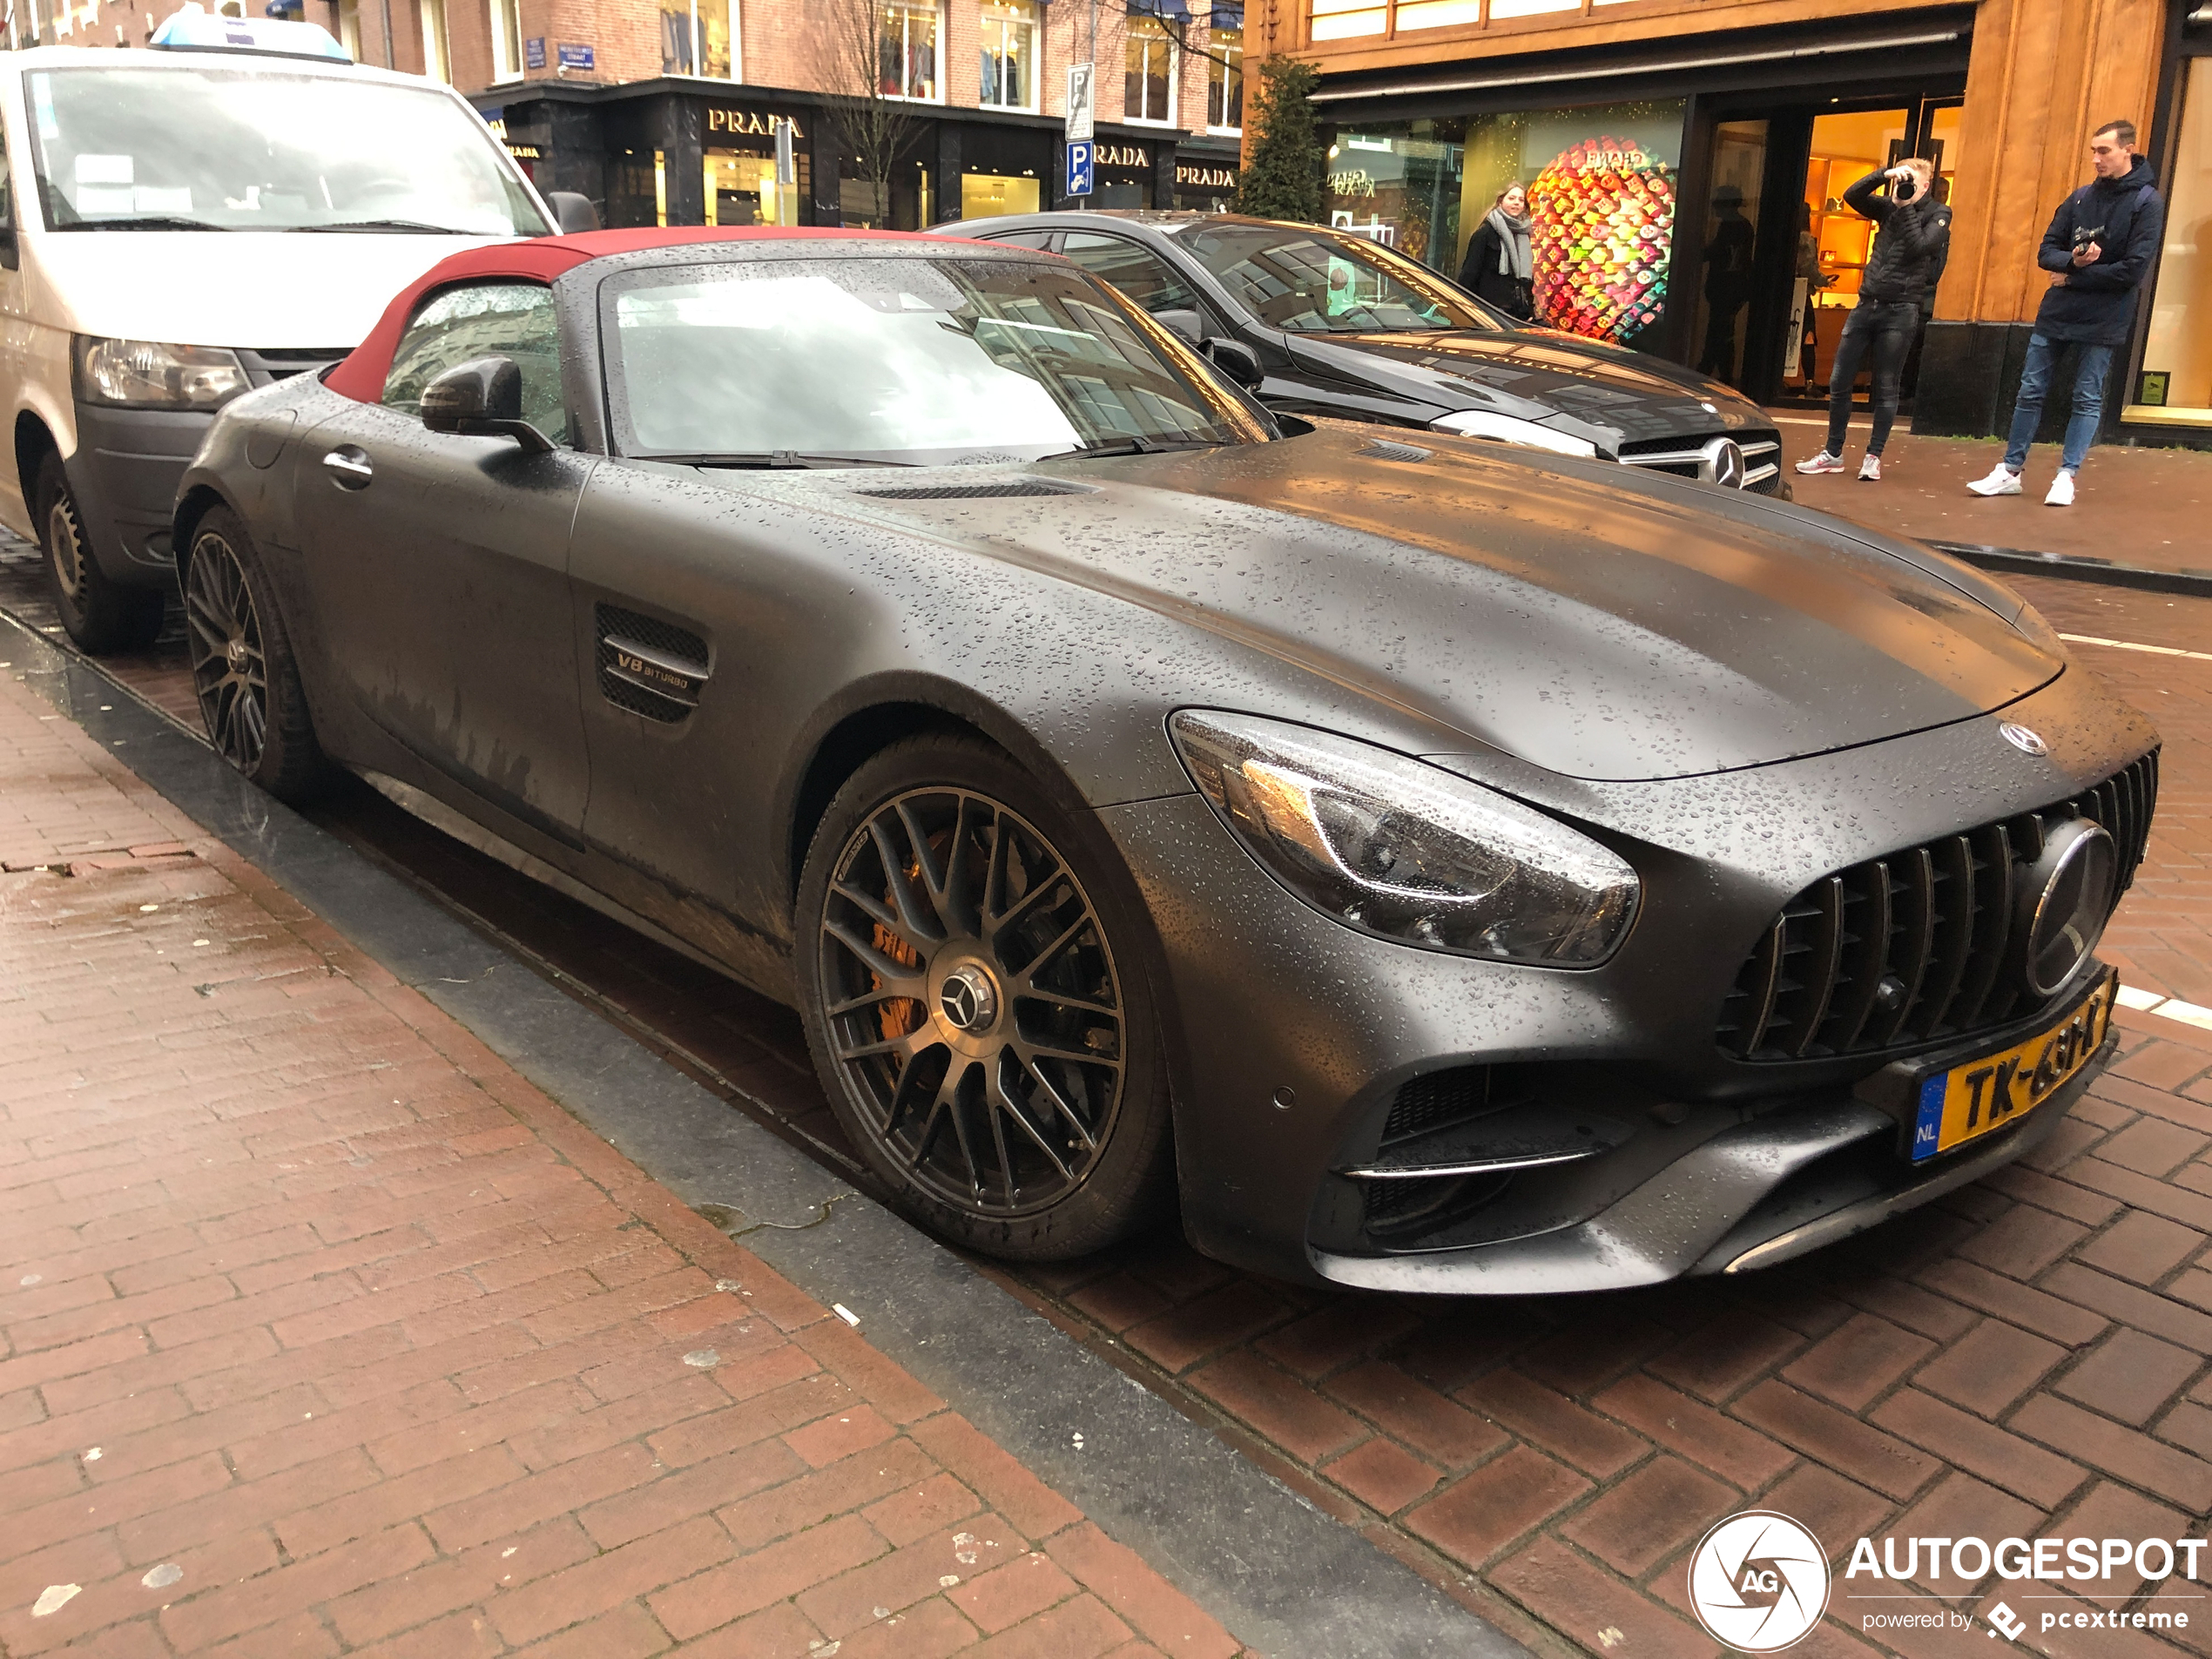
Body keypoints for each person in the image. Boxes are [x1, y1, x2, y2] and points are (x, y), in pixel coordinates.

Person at [1967, 119, 2166, 506]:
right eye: (2093, 151)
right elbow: (2046, 251)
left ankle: (2066, 476)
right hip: (2057, 313)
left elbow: (2133, 270)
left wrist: (2072, 276)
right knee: (2030, 390)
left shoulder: (2146, 202)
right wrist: (2074, 260)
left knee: (2087, 396)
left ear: (2128, 149)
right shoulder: (2079, 198)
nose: (2096, 159)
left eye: (2104, 151)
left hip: (2105, 316)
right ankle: (2010, 471)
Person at [1795, 156, 1952, 482]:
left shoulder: (1939, 213)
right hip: (1866, 304)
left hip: (1902, 308)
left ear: (1925, 185)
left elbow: (1921, 247)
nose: (1903, 186)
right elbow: (1852, 195)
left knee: (1885, 385)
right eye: (1901, 179)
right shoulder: (1887, 206)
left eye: (1911, 181)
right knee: (1839, 381)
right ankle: (1833, 453)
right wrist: (1884, 174)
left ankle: (1873, 456)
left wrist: (1906, 206)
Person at [1697, 185, 1756, 382]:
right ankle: (1716, 372)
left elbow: (1720, 253)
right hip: (1733, 289)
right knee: (1721, 333)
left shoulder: (1732, 227)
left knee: (1719, 333)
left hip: (1726, 289)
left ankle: (1715, 373)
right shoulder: (1743, 226)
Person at [1459, 184, 1534, 320]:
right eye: (1511, 198)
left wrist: (1529, 313)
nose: (1516, 202)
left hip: (1517, 315)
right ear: (1501, 201)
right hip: (1489, 313)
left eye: (1521, 200)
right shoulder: (1485, 232)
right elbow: (1469, 274)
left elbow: (1526, 279)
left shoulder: (1523, 234)